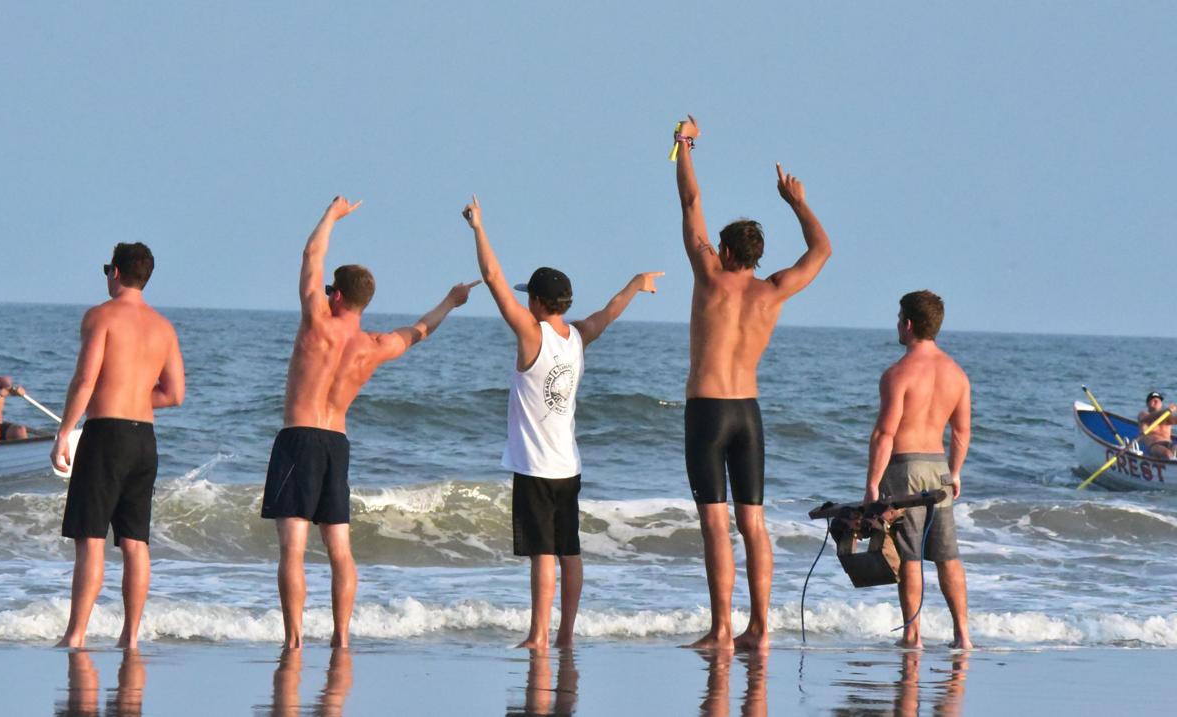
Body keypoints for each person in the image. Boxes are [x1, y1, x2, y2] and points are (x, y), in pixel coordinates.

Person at [261, 196, 478, 649]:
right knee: (340, 550)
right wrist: (452, 300)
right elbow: (420, 330)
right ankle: (342, 638)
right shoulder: (374, 345)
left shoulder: (317, 323)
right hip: (336, 444)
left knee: (293, 550)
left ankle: (294, 640)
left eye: (327, 291)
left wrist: (331, 216)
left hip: (298, 439)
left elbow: (310, 257)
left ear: (336, 295)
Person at [462, 194, 661, 649]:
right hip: (568, 467)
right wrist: (636, 283)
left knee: (542, 555)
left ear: (535, 301)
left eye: (526, 297)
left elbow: (493, 279)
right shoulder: (577, 336)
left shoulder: (532, 334)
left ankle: (537, 636)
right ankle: (566, 635)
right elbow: (609, 311)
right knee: (568, 552)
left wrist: (478, 229)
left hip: (535, 469)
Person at [673, 115, 832, 651]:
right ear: (757, 255)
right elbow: (821, 252)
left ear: (725, 250)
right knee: (754, 525)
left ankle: (721, 630)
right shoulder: (773, 290)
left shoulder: (709, 276)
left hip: (708, 413)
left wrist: (684, 144)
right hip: (749, 415)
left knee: (717, 527)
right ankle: (761, 629)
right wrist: (796, 201)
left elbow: (691, 205)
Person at [51, 242, 186, 649]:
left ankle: (76, 634)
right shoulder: (164, 327)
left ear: (115, 273)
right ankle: (130, 636)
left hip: (106, 435)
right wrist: (133, 397)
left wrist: (64, 430)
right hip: (144, 438)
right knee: (134, 542)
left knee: (90, 539)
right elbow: (175, 393)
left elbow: (86, 378)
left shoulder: (101, 316)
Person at [864, 290, 972, 649]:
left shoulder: (898, 374)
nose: (897, 324)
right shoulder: (957, 374)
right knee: (948, 557)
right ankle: (963, 636)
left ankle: (913, 634)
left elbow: (884, 434)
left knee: (909, 556)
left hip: (905, 470)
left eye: (899, 318)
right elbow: (961, 431)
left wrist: (872, 485)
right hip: (939, 468)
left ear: (908, 324)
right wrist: (955, 472)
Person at [1137, 392, 1177, 459]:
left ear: (1161, 404)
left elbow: (1175, 420)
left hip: (1169, 443)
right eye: (1153, 400)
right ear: (1147, 404)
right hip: (1154, 445)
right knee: (1168, 454)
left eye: (1158, 400)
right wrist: (1167, 410)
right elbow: (1148, 418)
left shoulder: (1167, 416)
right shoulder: (1143, 414)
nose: (1156, 401)